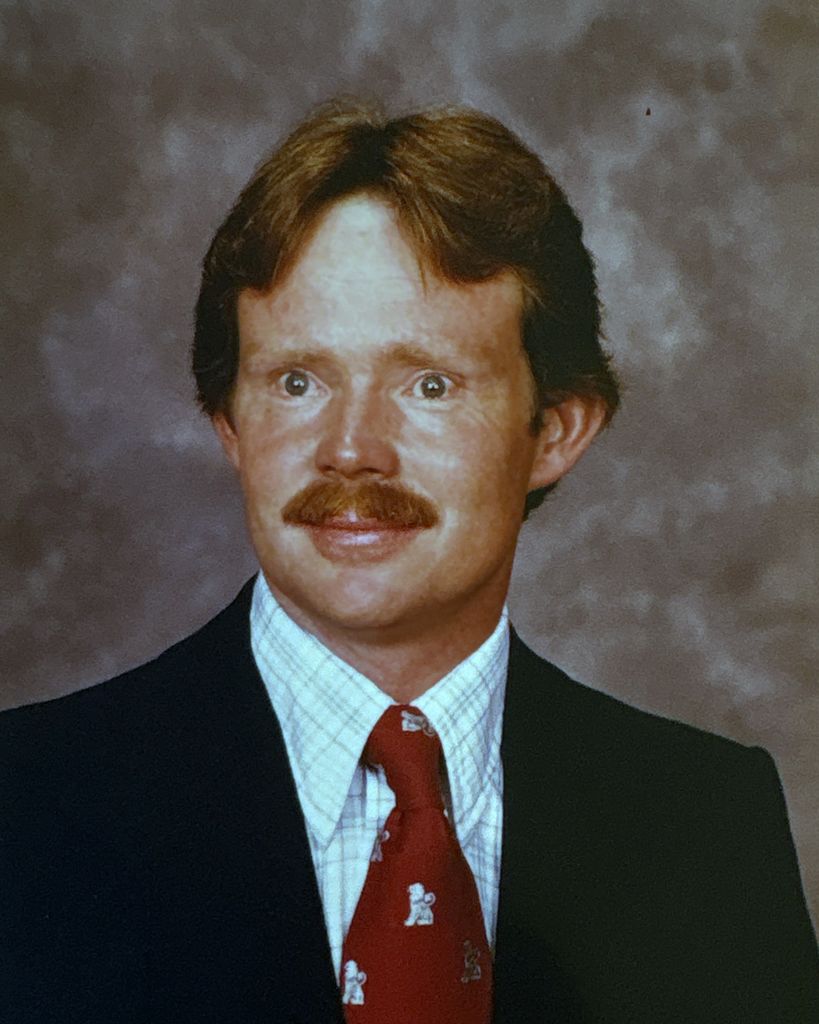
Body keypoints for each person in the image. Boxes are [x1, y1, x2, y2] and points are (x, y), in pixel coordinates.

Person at [3, 101, 817, 1024]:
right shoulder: (28, 804)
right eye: (297, 382)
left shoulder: (706, 822)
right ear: (229, 423)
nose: (351, 449)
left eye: (429, 384)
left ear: (554, 431)